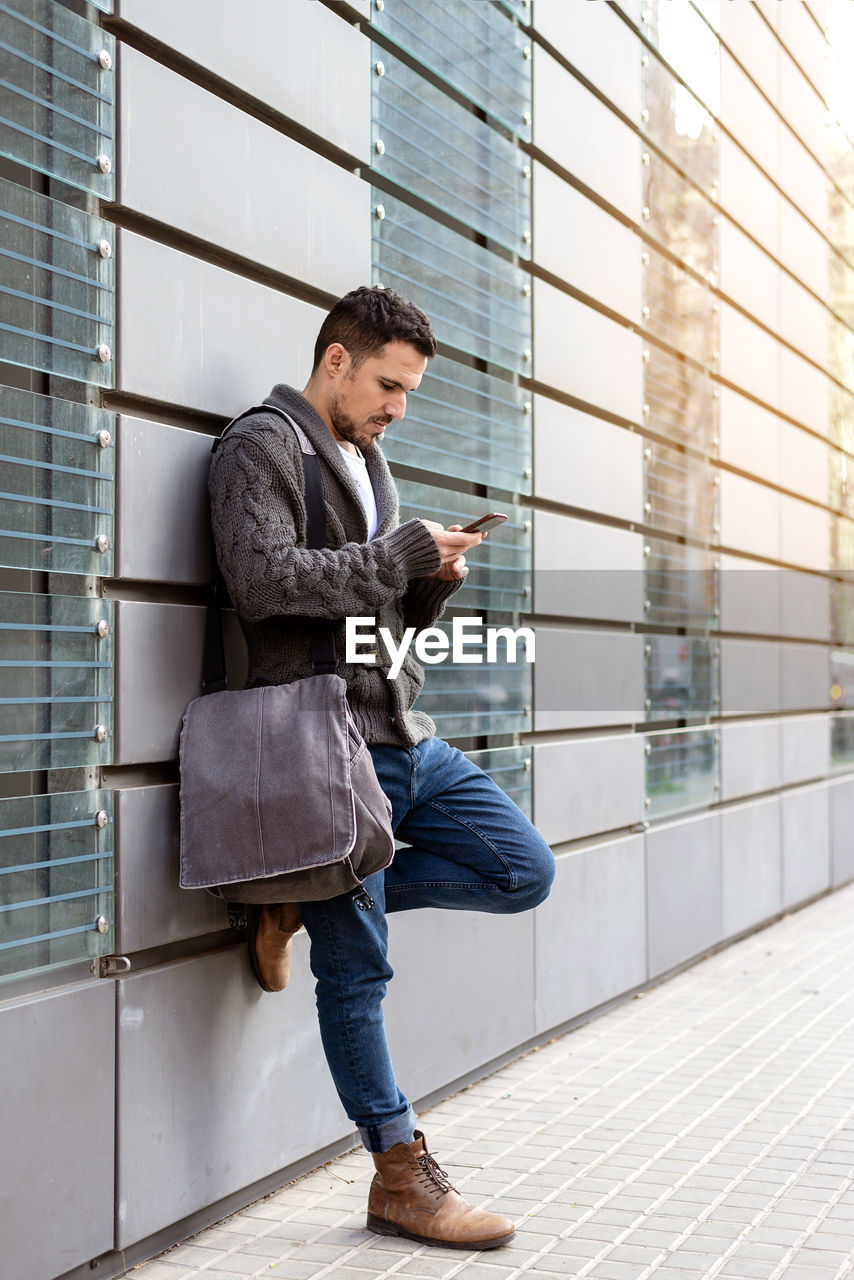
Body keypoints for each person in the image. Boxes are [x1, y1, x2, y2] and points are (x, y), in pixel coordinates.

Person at [208, 285, 555, 1250]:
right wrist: (396, 555)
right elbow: (261, 581)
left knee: (522, 870)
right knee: (357, 973)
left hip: (403, 736)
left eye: (407, 391)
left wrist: (426, 583)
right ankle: (399, 1177)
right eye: (389, 386)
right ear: (336, 361)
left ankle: (296, 898)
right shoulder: (261, 445)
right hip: (323, 750)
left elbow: (374, 613)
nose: (399, 407)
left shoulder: (371, 461)